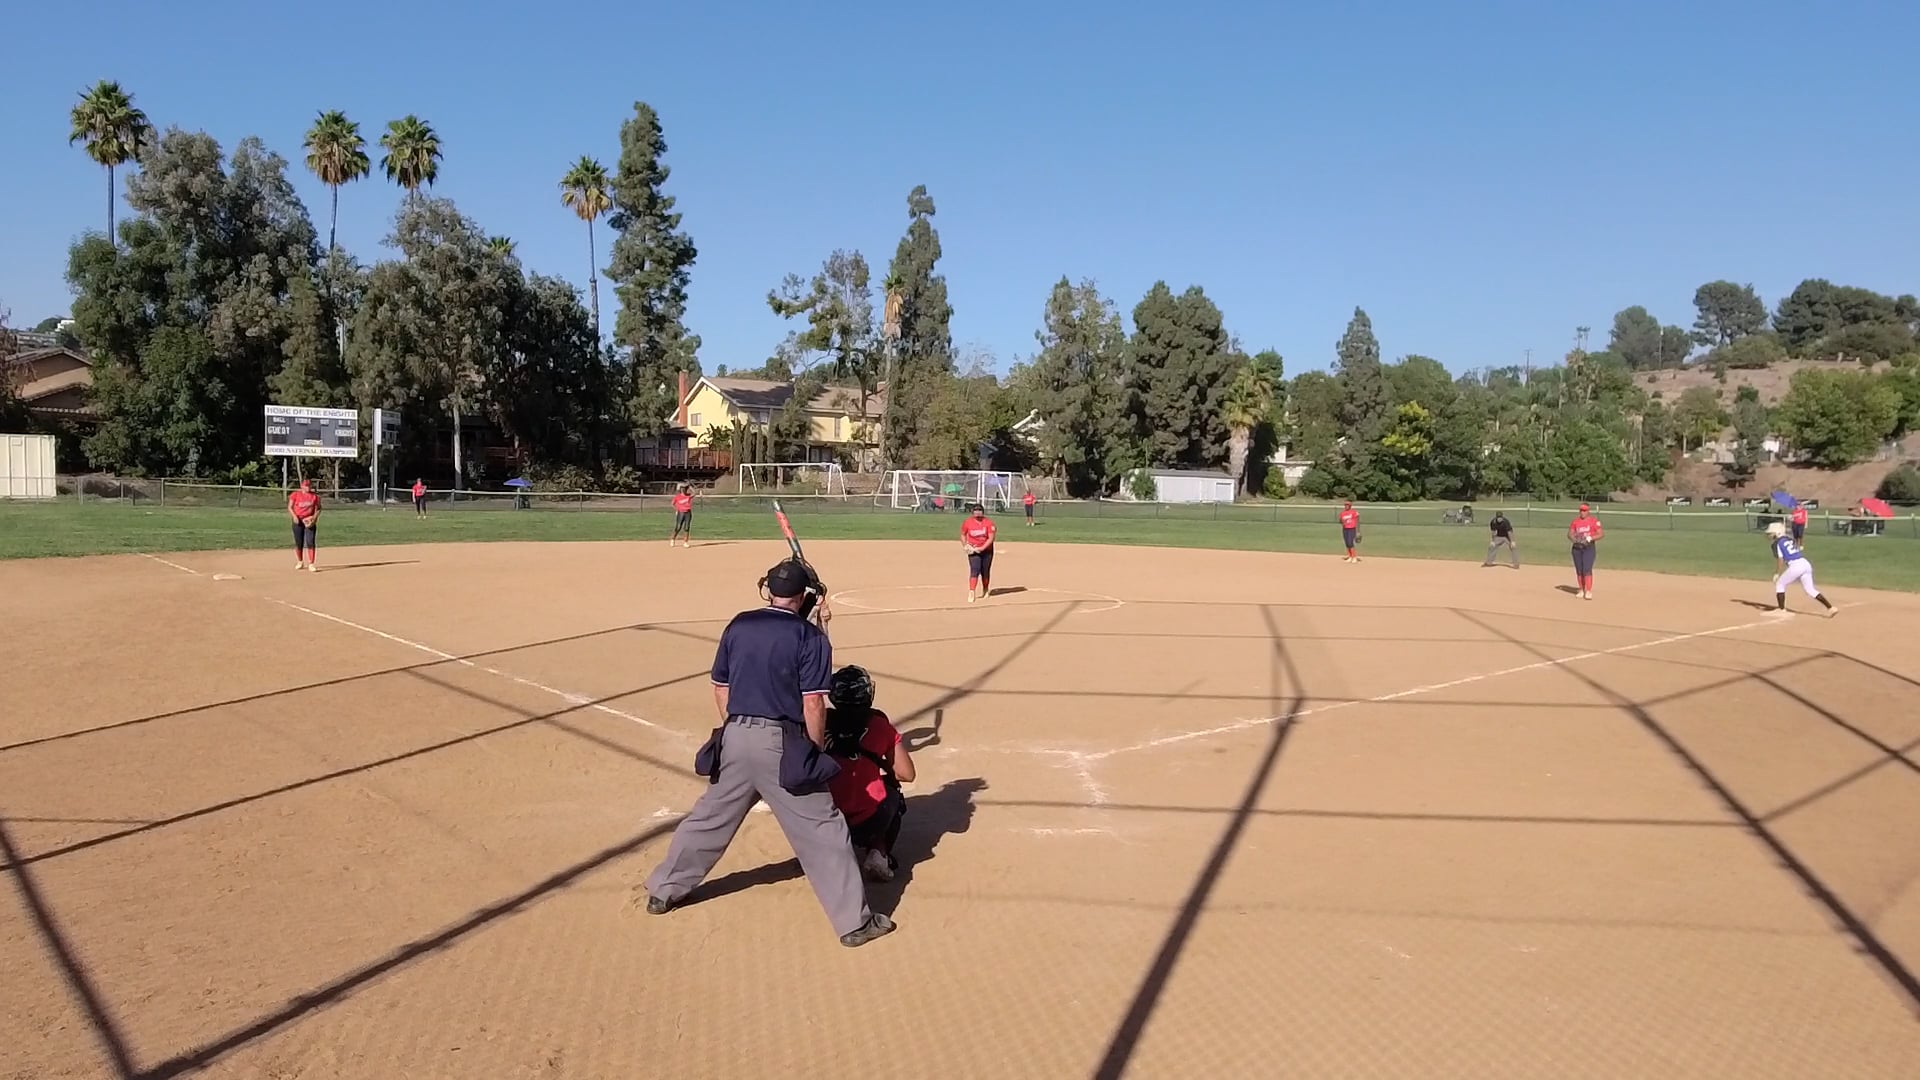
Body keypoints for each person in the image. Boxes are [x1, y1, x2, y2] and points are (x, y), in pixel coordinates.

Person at [642, 559, 895, 947]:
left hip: (735, 735)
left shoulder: (739, 624)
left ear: (769, 590)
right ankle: (853, 924)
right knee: (824, 830)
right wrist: (811, 751)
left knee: (709, 819)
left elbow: (721, 687)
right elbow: (813, 703)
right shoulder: (810, 638)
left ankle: (664, 891)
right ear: (804, 596)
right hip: (783, 742)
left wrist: (737, 730)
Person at [823, 665, 915, 882]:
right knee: (891, 791)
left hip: (822, 818)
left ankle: (816, 851)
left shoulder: (818, 721)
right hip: (865, 822)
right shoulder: (879, 725)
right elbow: (906, 774)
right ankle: (878, 852)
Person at [1766, 522, 1835, 616]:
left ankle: (1781, 609)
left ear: (1778, 533)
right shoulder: (1789, 539)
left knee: (1780, 584)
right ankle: (1830, 608)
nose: (1770, 535)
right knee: (1810, 590)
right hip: (1805, 563)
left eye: (1772, 533)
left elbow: (1780, 559)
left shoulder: (1777, 543)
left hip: (1795, 565)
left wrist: (1777, 573)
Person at [961, 503, 997, 602]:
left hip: (987, 551)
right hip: (973, 550)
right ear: (972, 512)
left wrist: (982, 548)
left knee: (985, 571)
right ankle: (972, 591)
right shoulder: (967, 522)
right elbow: (963, 535)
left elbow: (991, 538)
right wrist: (965, 545)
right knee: (975, 569)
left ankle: (985, 589)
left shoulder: (989, 523)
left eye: (979, 510)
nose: (977, 512)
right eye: (975, 510)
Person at [1568, 503, 1603, 600]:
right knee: (1579, 570)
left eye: (1584, 510)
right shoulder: (1575, 522)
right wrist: (1575, 539)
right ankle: (1581, 589)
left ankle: (1588, 590)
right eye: (1581, 510)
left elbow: (1600, 534)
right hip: (1577, 548)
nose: (1582, 512)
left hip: (1588, 548)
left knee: (1587, 569)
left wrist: (1590, 538)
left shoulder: (1594, 521)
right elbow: (1570, 534)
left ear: (1588, 511)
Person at [288, 478, 321, 573]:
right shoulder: (295, 495)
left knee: (310, 542)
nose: (308, 487)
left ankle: (311, 563)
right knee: (299, 542)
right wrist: (294, 516)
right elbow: (290, 507)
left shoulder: (314, 496)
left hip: (309, 521)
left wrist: (313, 519)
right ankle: (300, 561)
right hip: (298, 520)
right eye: (306, 486)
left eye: (309, 486)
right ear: (301, 486)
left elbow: (318, 509)